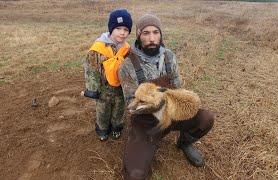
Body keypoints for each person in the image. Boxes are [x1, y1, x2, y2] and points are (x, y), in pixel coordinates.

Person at [118, 14, 215, 179]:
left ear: (161, 34)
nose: (152, 38)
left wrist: (181, 101)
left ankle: (184, 142)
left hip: (173, 113)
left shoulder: (169, 57)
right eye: (146, 33)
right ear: (138, 35)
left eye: (156, 32)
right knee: (135, 174)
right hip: (146, 122)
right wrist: (154, 104)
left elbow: (177, 88)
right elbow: (131, 105)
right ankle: (146, 146)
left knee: (206, 118)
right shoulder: (127, 65)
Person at [83, 8, 132, 141]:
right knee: (103, 111)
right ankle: (102, 130)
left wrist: (130, 87)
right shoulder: (98, 48)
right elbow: (91, 68)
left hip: (120, 89)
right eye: (118, 28)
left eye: (126, 30)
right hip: (104, 89)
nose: (122, 33)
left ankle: (116, 128)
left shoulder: (127, 49)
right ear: (111, 28)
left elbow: (130, 69)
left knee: (119, 110)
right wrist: (92, 88)